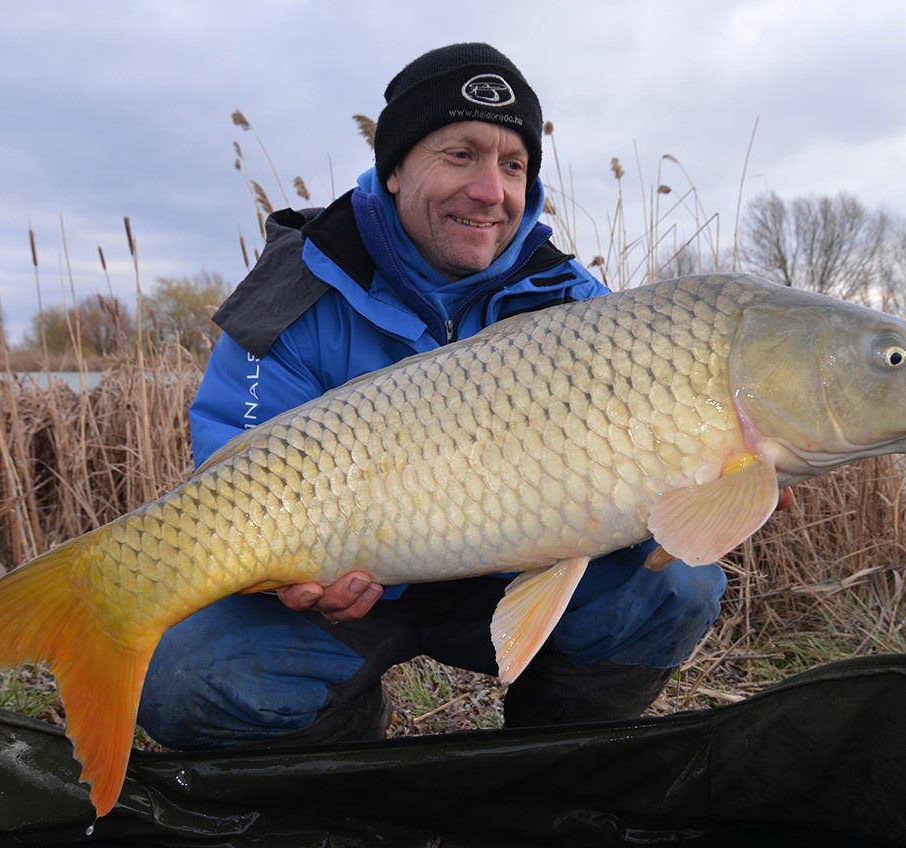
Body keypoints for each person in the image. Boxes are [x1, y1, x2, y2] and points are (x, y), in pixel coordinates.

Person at [136, 43, 728, 748]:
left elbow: (663, 460)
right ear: (393, 170)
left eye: (513, 166)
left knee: (679, 587)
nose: (491, 190)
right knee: (182, 672)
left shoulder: (577, 306)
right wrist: (281, 576)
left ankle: (554, 766)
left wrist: (721, 485)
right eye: (460, 155)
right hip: (348, 592)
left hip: (510, 569)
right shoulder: (290, 299)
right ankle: (349, 754)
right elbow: (238, 483)